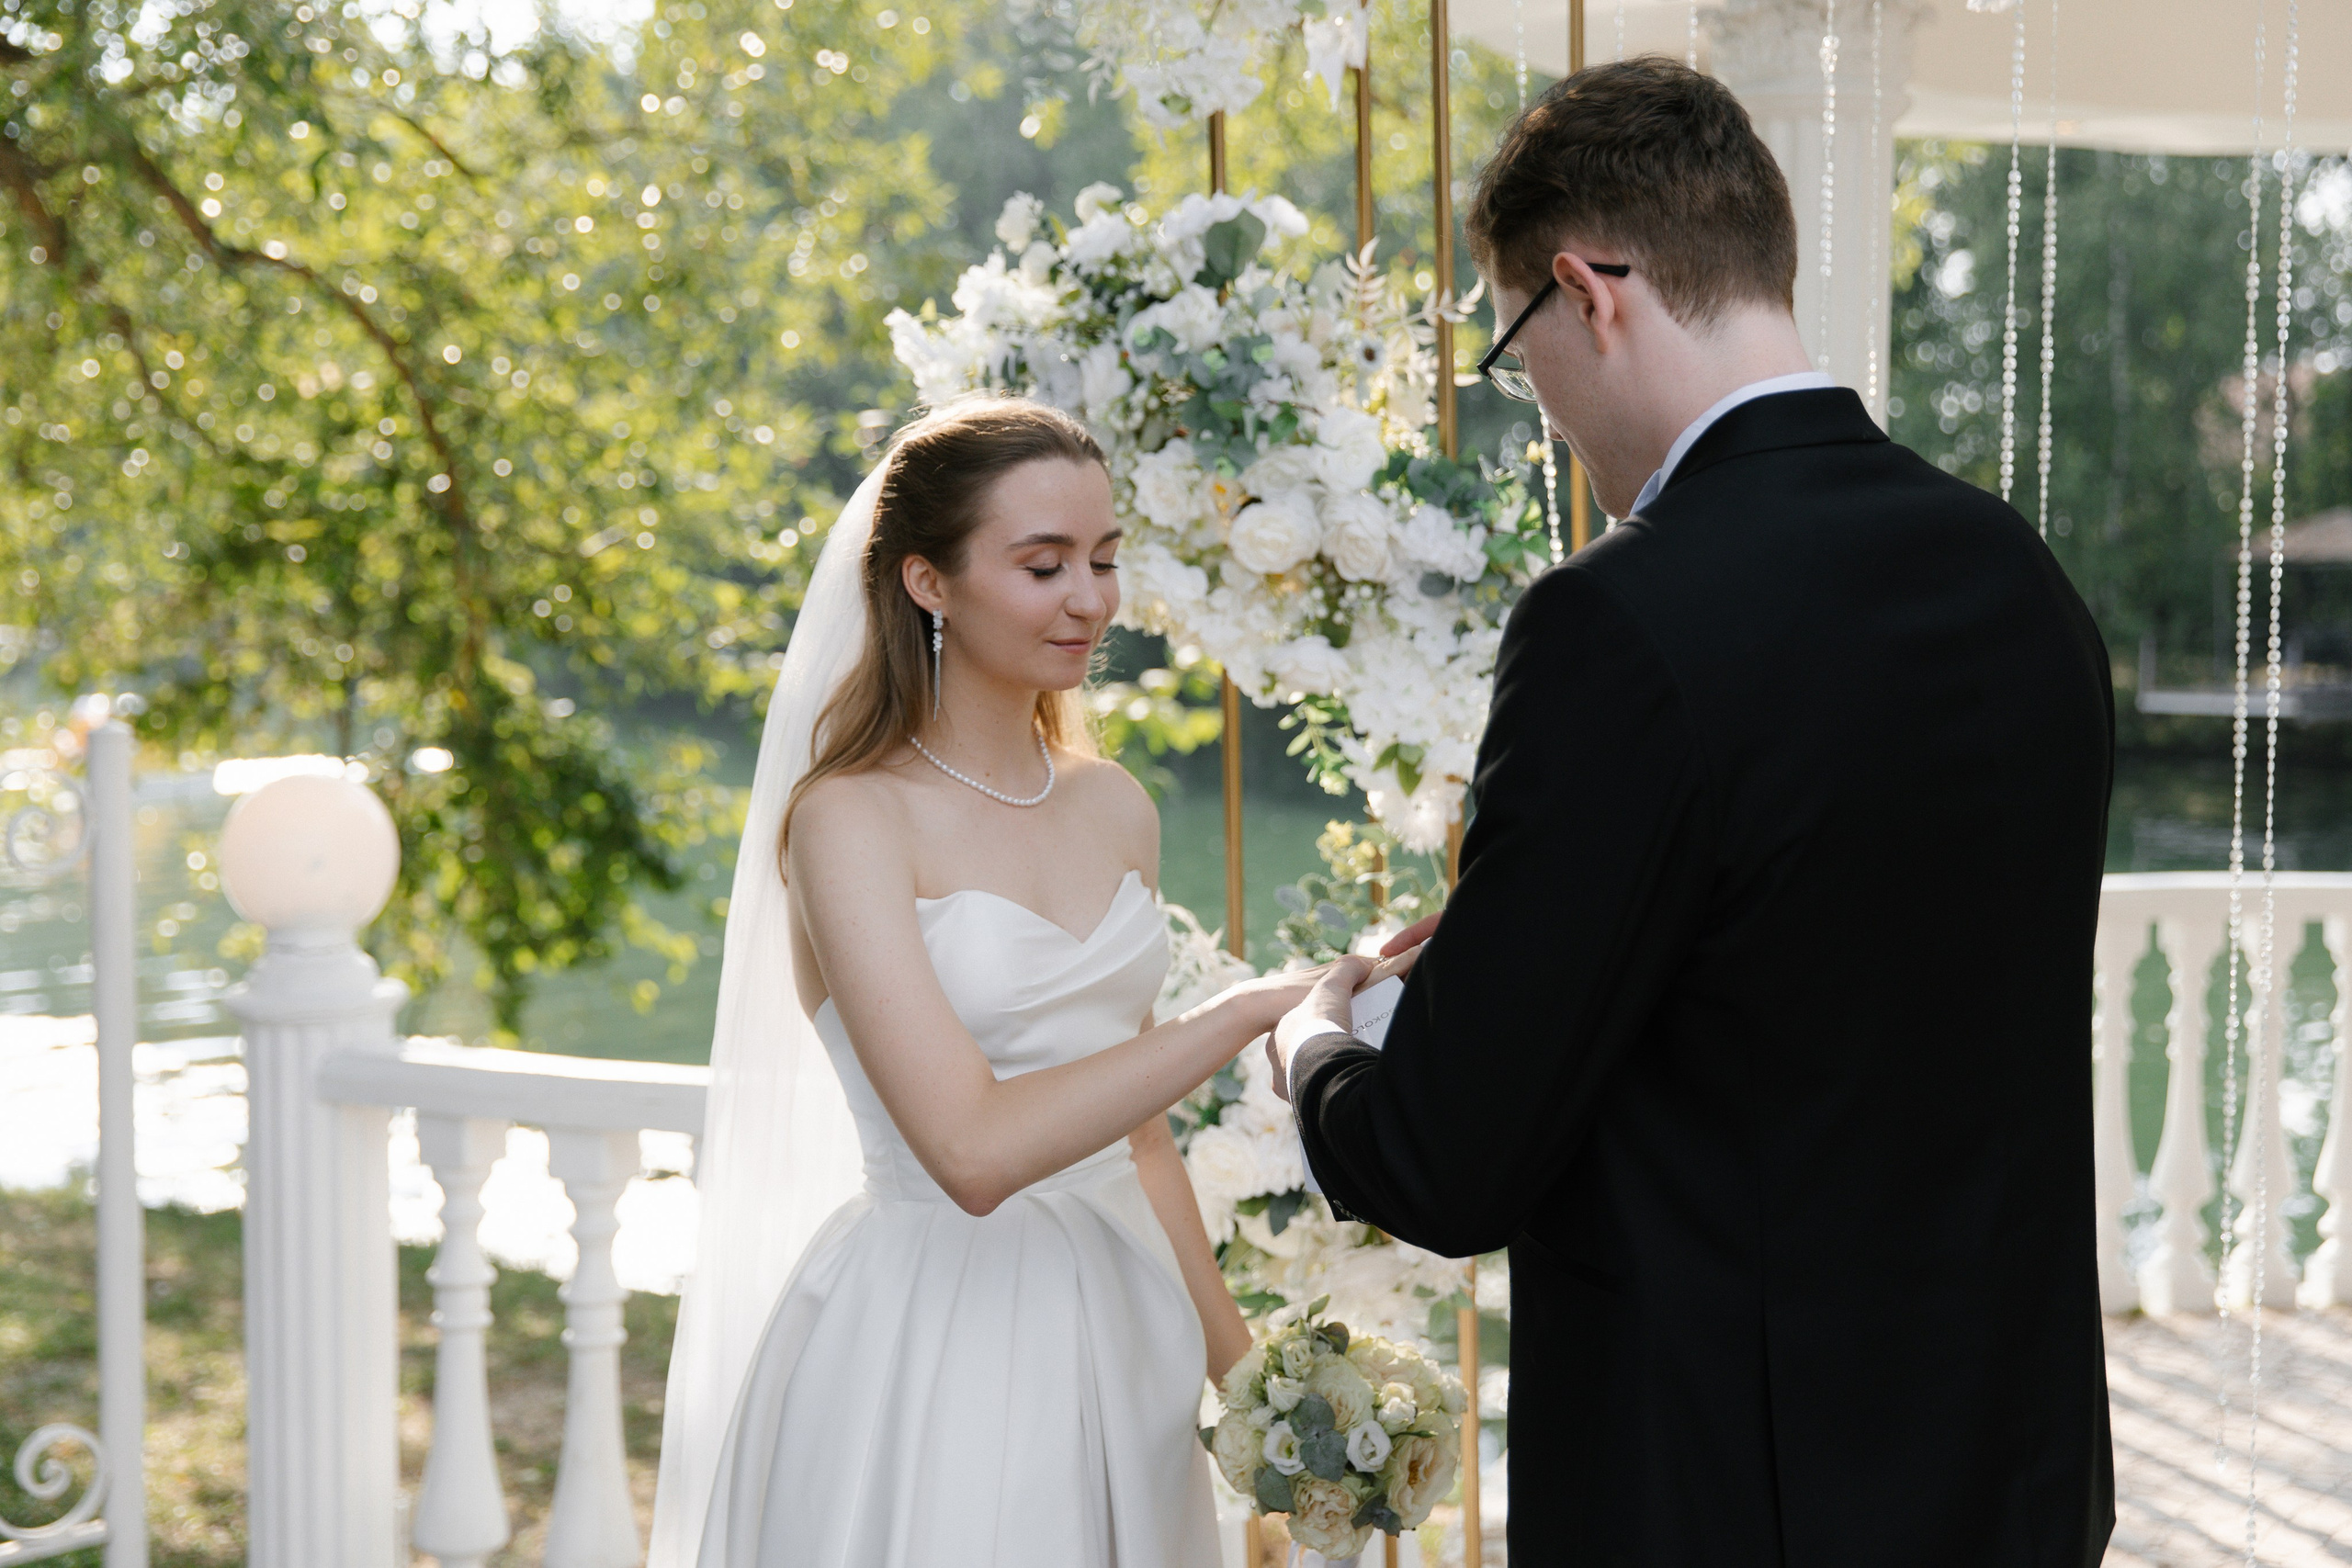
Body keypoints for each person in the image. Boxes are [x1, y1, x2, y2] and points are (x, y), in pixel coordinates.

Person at [1270, 58, 2118, 1566]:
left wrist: (1317, 1041)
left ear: (1589, 290)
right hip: (2017, 1475)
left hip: (1732, 1498)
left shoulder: (1621, 624)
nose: (1536, 403)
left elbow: (1447, 1161)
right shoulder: (2017, 577)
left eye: (1514, 348)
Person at [648, 395, 1336, 1567]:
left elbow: (1141, 1138)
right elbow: (967, 1154)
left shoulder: (1111, 802)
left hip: (1125, 1330)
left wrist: (1254, 1388)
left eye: (1105, 559)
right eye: (1042, 563)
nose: (1089, 597)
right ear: (928, 582)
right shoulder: (850, 821)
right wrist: (1240, 1015)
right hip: (934, 1342)